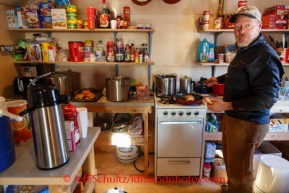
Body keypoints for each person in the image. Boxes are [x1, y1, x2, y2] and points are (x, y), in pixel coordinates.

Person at [205, 5, 284, 193]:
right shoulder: (246, 49)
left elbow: (265, 100)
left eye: (247, 25)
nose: (241, 31)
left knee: (240, 172)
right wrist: (219, 79)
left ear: (259, 27)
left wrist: (225, 105)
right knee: (232, 165)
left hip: (248, 123)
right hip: (236, 118)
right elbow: (241, 73)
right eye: (238, 26)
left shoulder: (265, 56)